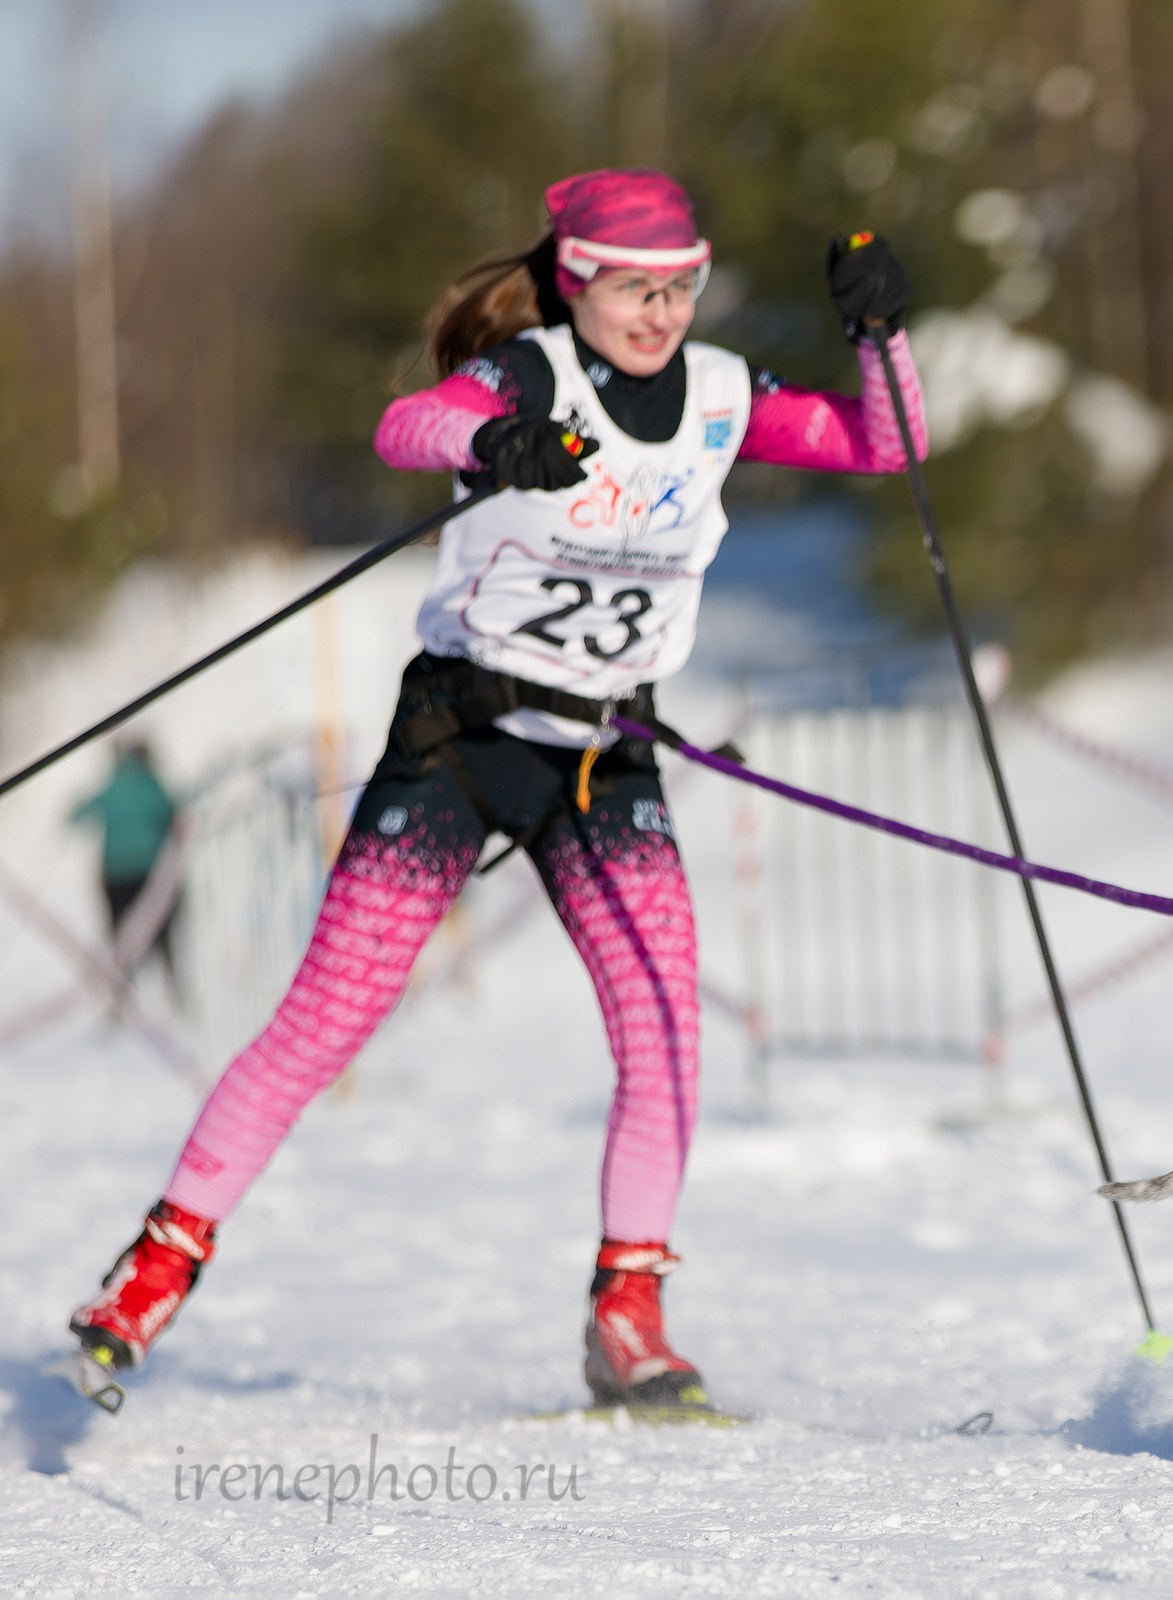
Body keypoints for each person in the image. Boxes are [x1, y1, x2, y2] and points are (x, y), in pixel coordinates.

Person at [65, 168, 925, 1413]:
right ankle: (151, 1271)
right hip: (462, 740)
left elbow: (882, 442)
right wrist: (491, 438)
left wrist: (881, 337)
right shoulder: (530, 375)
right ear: (576, 279)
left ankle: (629, 1315)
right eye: (635, 288)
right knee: (323, 1025)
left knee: (664, 1033)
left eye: (681, 287)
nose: (661, 314)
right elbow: (403, 429)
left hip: (603, 756)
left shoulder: (725, 394)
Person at [71, 738, 183, 995]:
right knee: (162, 931)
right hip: (149, 875)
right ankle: (174, 985)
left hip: (115, 878)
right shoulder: (151, 784)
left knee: (120, 939)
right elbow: (172, 812)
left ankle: (121, 993)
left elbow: (78, 816)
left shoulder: (110, 787)